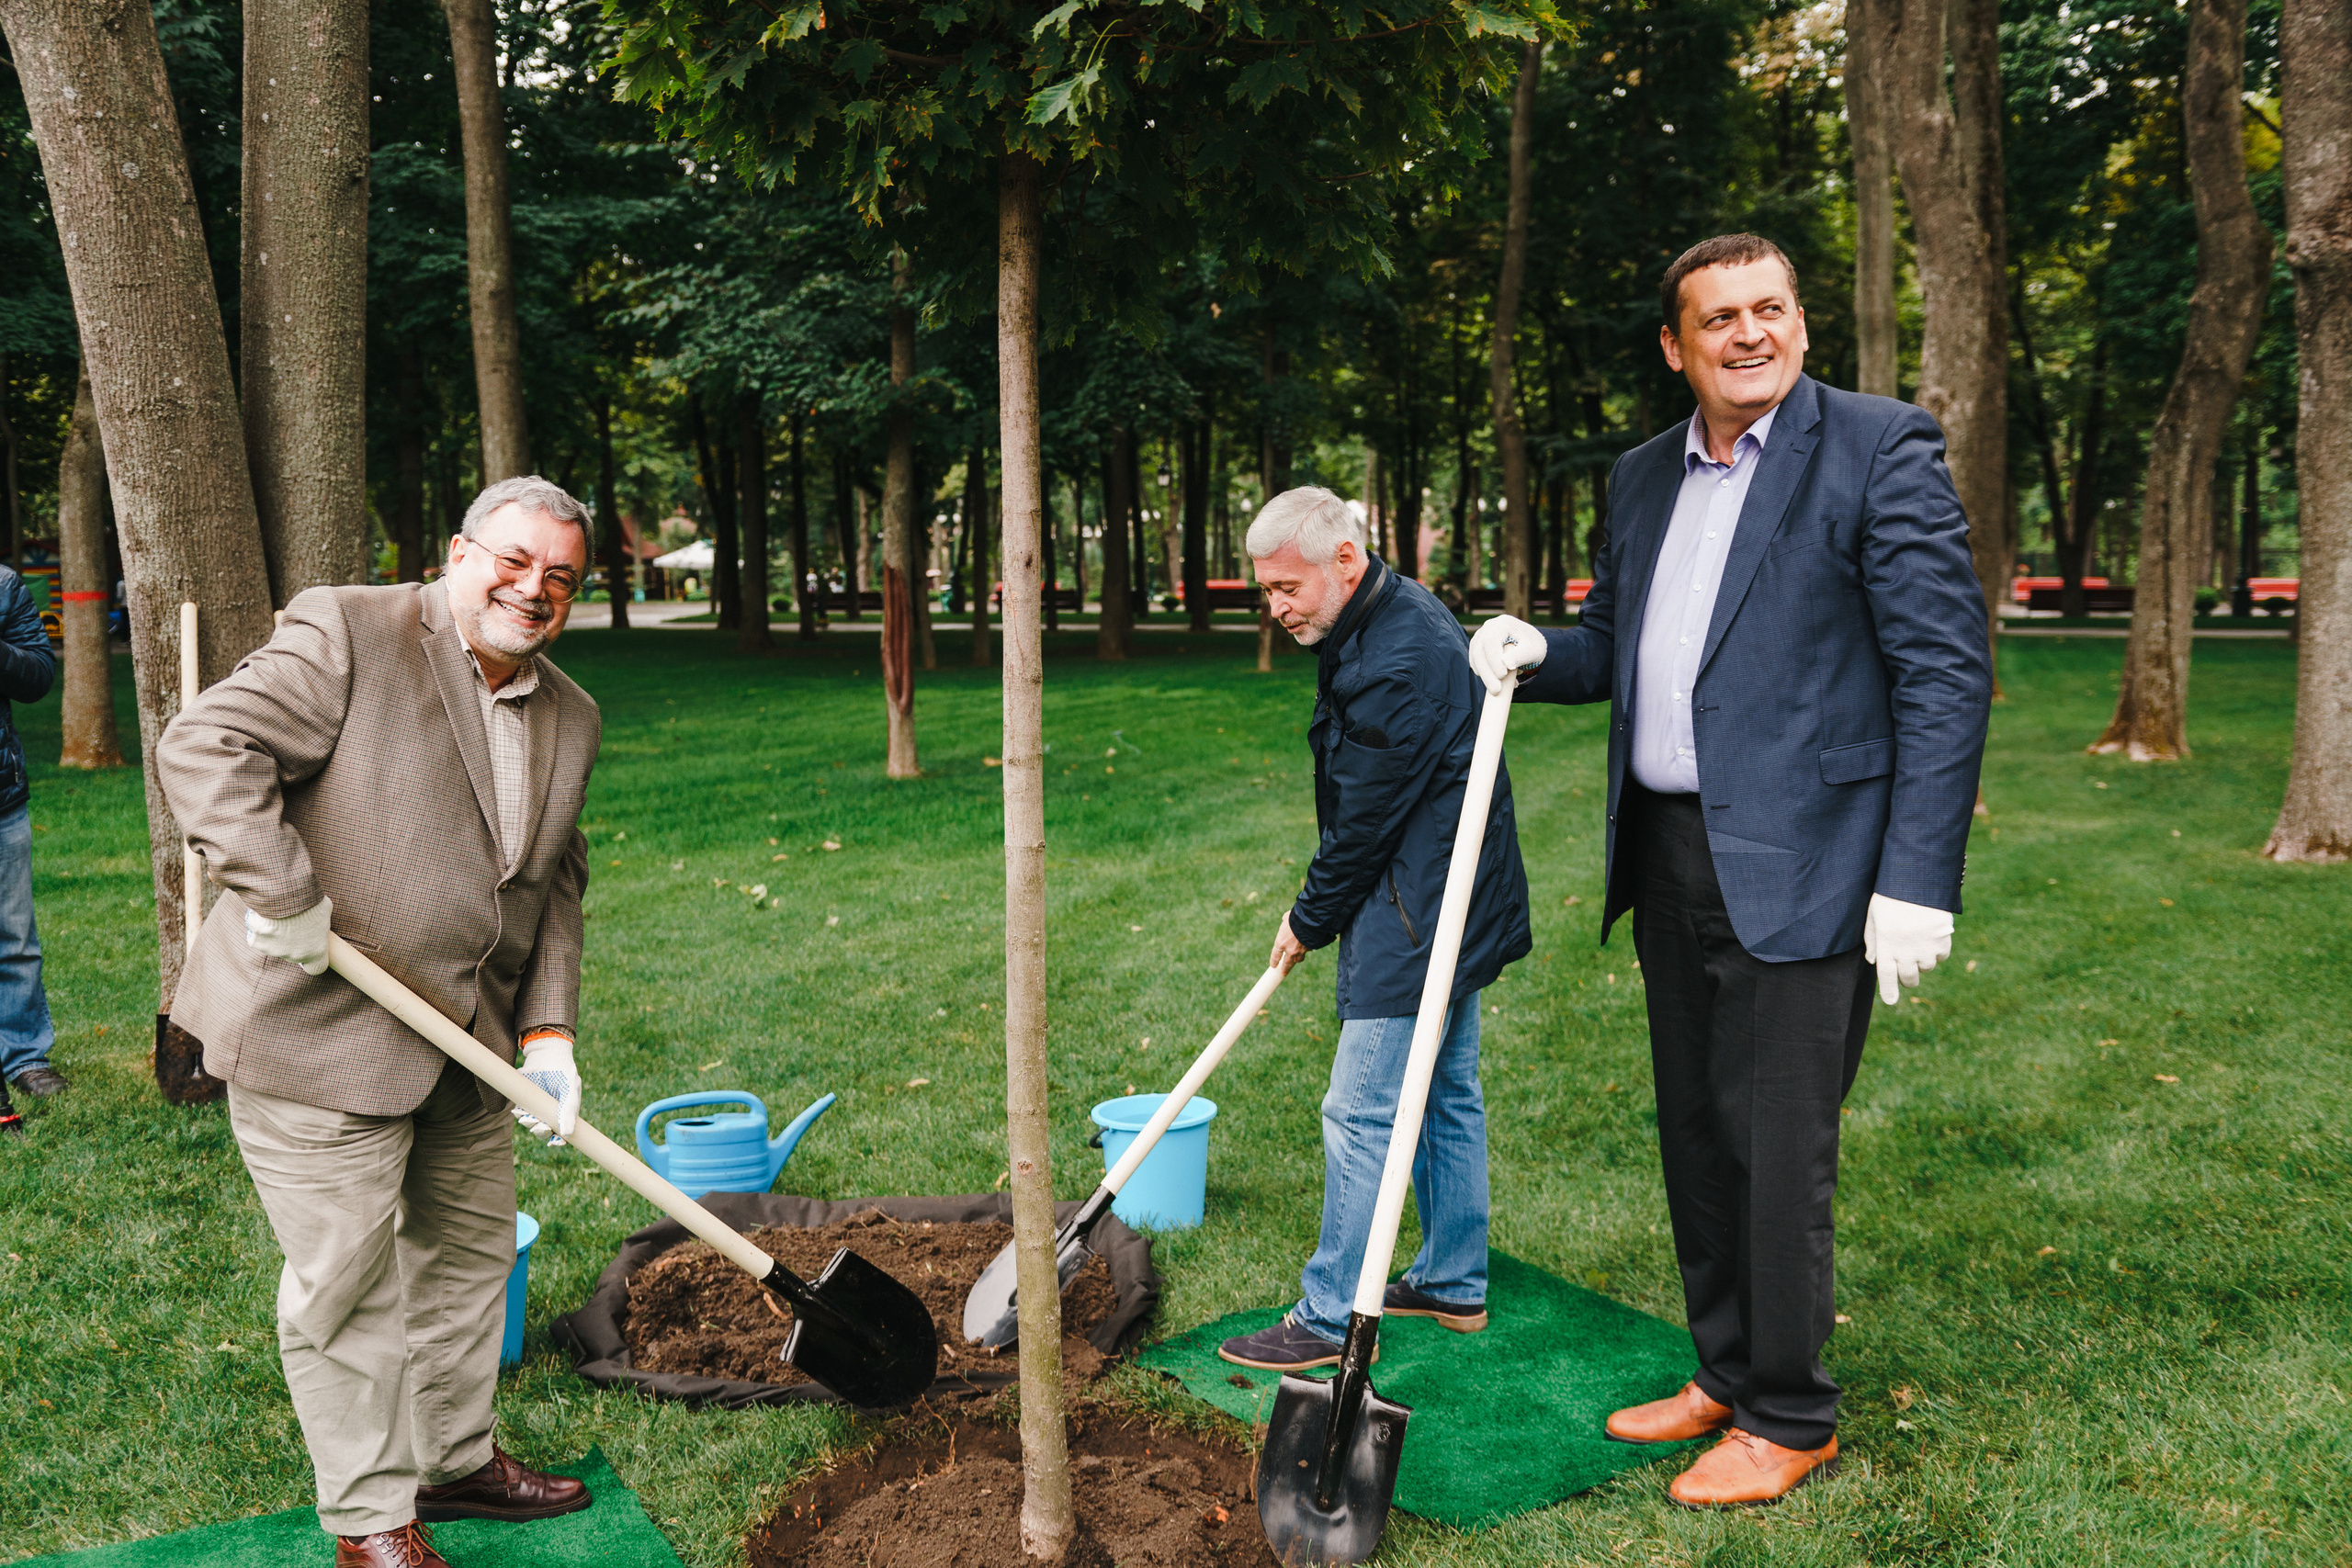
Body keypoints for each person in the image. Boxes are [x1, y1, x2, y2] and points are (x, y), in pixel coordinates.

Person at [1470, 233, 1992, 1506]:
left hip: (1813, 860)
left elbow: (1943, 670)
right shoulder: (1644, 473)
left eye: (1770, 309)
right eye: (1719, 318)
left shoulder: (1878, 446)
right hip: (1667, 852)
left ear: (1801, 324)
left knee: (1775, 1145)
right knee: (1700, 1134)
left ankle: (1791, 1414)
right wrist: (1532, 647)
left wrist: (1917, 876)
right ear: (1676, 346)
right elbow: (1619, 645)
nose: (1749, 333)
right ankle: (1724, 1370)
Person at [158, 477, 605, 1568]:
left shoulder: (571, 714)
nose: (532, 588)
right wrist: (284, 893)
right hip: (317, 1033)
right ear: (459, 552)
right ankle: (368, 1522)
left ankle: (455, 1463)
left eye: (559, 576)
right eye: (513, 560)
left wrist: (547, 1036)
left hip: (467, 1049)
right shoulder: (350, 632)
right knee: (346, 1289)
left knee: (470, 1260)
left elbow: (554, 881)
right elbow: (204, 745)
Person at [1216, 487, 1532, 1373]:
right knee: (1445, 1088)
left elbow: (1363, 825)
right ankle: (1453, 1281)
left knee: (1360, 1109)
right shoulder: (1384, 615)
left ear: (1345, 561)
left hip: (1420, 904)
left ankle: (1328, 1315)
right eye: (1266, 590)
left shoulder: (1397, 659)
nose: (1277, 608)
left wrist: (1307, 917)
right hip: (1448, 886)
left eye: (1288, 588)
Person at [0, 563, 61, 1125]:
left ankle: (25, 1057)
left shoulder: (3, 586)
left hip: (1, 799)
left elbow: (39, 675)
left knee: (15, 938)